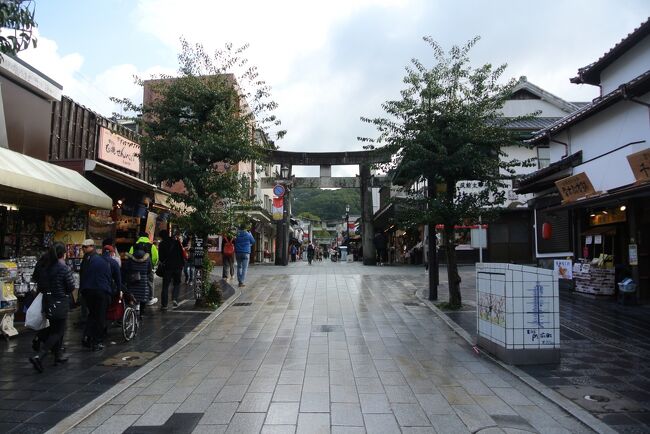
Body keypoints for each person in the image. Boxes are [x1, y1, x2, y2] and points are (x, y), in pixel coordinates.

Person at [29, 242, 75, 372]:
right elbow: (71, 286)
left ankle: (57, 356)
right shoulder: (63, 268)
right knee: (57, 332)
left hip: (48, 302)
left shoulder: (45, 268)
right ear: (63, 254)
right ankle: (40, 356)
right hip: (60, 302)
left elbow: (40, 284)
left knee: (54, 329)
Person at [79, 239, 114, 351]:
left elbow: (82, 276)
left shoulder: (87, 260)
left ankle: (87, 337)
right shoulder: (99, 260)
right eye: (83, 247)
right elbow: (108, 277)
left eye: (85, 247)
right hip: (99, 291)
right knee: (99, 316)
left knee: (93, 314)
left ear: (92, 247)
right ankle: (96, 341)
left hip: (89, 291)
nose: (83, 249)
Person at [122, 242, 153, 315]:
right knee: (143, 297)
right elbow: (149, 269)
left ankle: (131, 312)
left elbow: (126, 268)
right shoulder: (147, 258)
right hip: (143, 279)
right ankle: (141, 314)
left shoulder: (130, 257)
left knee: (132, 294)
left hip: (133, 279)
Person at [129, 231, 159, 306]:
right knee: (150, 283)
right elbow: (156, 257)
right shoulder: (152, 246)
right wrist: (152, 264)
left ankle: (135, 298)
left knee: (136, 283)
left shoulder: (134, 246)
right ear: (147, 237)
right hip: (148, 268)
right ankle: (150, 298)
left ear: (139, 237)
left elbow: (130, 255)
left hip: (135, 269)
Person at [158, 230, 185, 310]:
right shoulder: (176, 242)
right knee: (177, 283)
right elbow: (181, 253)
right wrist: (181, 265)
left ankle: (164, 305)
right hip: (177, 266)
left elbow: (161, 258)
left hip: (168, 268)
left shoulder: (162, 244)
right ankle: (174, 298)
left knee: (165, 286)